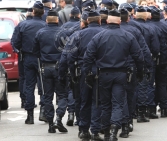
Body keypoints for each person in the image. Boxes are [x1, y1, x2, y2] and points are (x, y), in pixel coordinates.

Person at [82, 9, 144, 140]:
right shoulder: (128, 36)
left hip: (103, 75)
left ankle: (106, 131)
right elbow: (139, 56)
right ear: (120, 22)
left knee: (105, 104)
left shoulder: (99, 36)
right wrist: (140, 72)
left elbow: (88, 56)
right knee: (118, 103)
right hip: (121, 74)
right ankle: (114, 130)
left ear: (107, 21)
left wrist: (87, 73)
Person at [62, 9, 104, 140]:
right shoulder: (104, 34)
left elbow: (70, 56)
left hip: (82, 72)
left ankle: (84, 130)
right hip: (100, 71)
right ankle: (96, 131)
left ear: (86, 21)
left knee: (84, 101)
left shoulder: (77, 35)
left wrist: (72, 73)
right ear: (99, 20)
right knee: (97, 101)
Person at [32, 9, 68, 133]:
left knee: (47, 96)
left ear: (46, 20)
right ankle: (59, 117)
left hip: (45, 67)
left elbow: (35, 51)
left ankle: (51, 123)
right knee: (62, 95)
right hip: (60, 67)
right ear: (57, 20)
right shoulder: (63, 33)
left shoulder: (40, 33)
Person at [13, 1, 47, 124]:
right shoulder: (45, 25)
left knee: (29, 86)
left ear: (33, 11)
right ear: (43, 12)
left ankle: (30, 116)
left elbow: (15, 43)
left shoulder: (22, 25)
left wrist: (19, 51)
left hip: (27, 58)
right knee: (43, 86)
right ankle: (44, 111)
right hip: (42, 58)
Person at [119, 8, 152, 133]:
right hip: (130, 67)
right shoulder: (134, 31)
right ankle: (128, 121)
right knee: (130, 95)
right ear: (128, 18)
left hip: (114, 68)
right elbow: (143, 51)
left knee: (117, 97)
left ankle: (119, 122)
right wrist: (146, 67)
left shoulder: (106, 31)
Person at [148, 6, 167, 116]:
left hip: (151, 59)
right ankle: (165, 108)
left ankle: (151, 108)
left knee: (150, 84)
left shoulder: (148, 27)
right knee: (162, 84)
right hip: (163, 59)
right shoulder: (166, 27)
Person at [11, 8, 34, 108]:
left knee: (24, 78)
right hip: (37, 56)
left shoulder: (21, 25)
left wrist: (18, 50)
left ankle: (24, 100)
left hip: (24, 55)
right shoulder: (40, 24)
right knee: (38, 79)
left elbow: (14, 41)